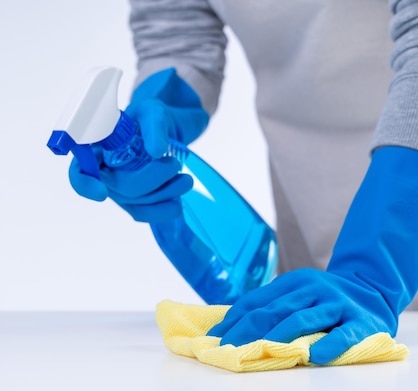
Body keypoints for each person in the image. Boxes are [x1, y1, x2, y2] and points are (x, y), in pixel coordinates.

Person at [70, 0, 418, 364]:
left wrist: (374, 268)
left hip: (393, 220)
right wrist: (155, 115)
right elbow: (177, 32)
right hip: (317, 236)